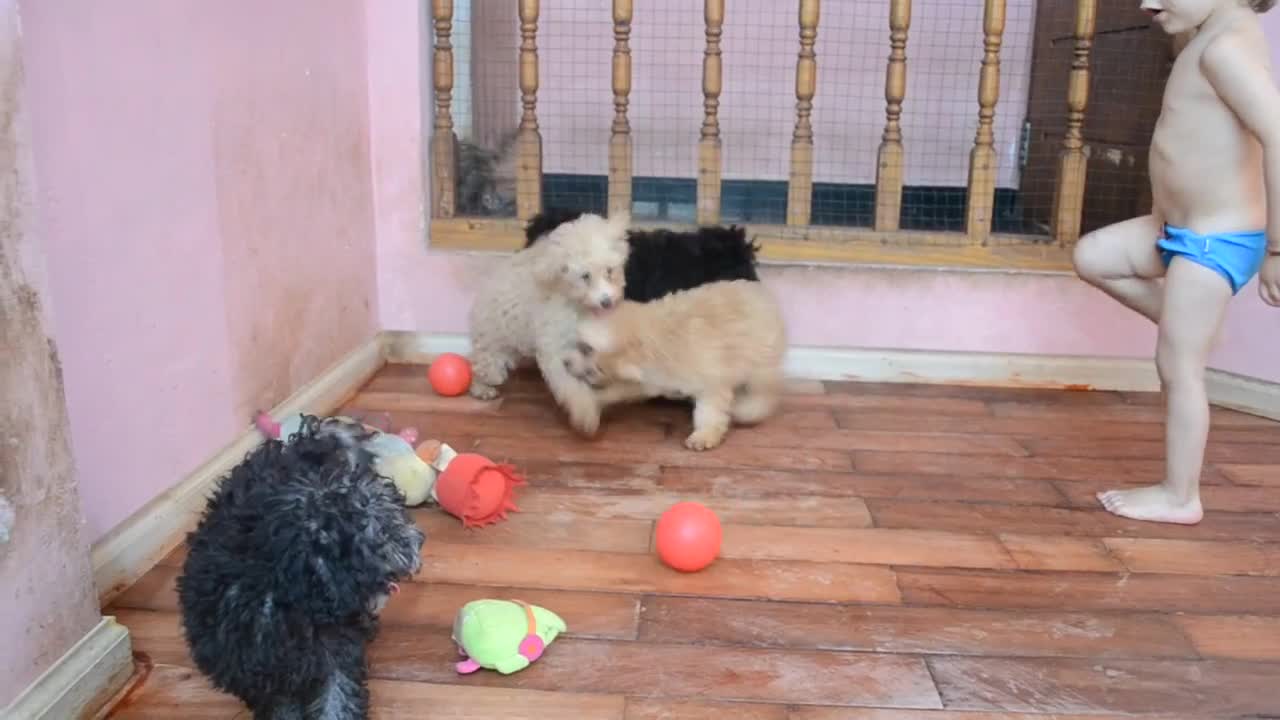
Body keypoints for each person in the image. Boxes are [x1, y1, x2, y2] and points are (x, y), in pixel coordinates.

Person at [1073, 0, 1280, 524]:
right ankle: (1192, 328)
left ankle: (1180, 495)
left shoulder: (1227, 50)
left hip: (1215, 240)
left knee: (1177, 367)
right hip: (1177, 230)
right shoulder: (1206, 35)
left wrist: (1279, 249)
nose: (1147, 2)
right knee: (1094, 256)